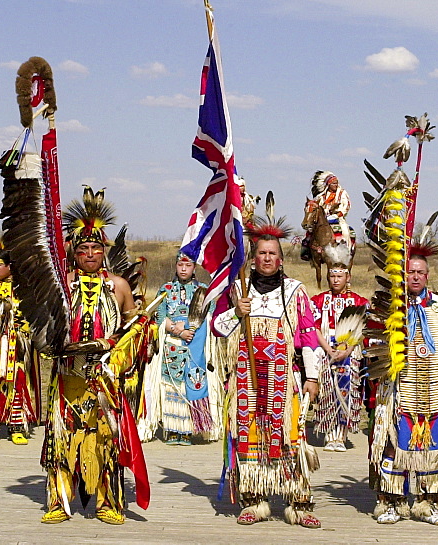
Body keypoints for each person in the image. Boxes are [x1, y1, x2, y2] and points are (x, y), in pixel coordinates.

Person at [42, 188, 150, 526]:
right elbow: (44, 324)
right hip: (67, 375)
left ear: (105, 251)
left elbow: (135, 328)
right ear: (74, 253)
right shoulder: (62, 284)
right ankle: (60, 500)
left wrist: (116, 344)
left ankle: (106, 502)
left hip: (104, 378)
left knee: (104, 439)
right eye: (84, 248)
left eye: (96, 248)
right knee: (62, 439)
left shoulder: (118, 286)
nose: (90, 254)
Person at [212, 227, 323, 529]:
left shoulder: (295, 291)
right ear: (252, 257)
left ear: (281, 259)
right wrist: (236, 312)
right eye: (261, 252)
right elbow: (217, 328)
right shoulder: (237, 290)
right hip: (245, 380)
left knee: (291, 438)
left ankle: (298, 503)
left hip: (283, 382)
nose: (267, 258)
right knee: (249, 437)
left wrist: (312, 376)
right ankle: (254, 501)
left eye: (272, 253)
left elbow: (309, 336)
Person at [370, 252, 438, 526]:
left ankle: (429, 503)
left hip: (434, 386)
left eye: (420, 272)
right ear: (403, 275)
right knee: (394, 444)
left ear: (427, 276)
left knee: (433, 445)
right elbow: (374, 345)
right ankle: (392, 502)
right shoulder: (391, 305)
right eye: (410, 271)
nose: (414, 276)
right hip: (399, 388)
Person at [0, 239, 40, 445]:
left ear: (10, 266)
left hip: (17, 344)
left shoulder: (24, 289)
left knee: (17, 383)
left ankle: (16, 426)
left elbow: (33, 314)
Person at [153, 254, 214, 444]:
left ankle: (187, 430)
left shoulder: (203, 290)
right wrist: (176, 330)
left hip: (194, 345)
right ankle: (172, 429)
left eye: (188, 265)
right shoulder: (166, 289)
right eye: (180, 264)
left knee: (190, 386)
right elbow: (158, 315)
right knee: (172, 387)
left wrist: (190, 330)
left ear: (194, 267)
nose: (184, 269)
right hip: (172, 346)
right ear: (176, 266)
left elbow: (208, 317)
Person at [310, 262, 367, 452]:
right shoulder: (318, 300)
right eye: (332, 276)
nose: (335, 280)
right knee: (327, 391)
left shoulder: (359, 301)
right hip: (326, 351)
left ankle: (341, 436)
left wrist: (349, 349)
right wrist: (327, 348)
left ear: (348, 277)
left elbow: (362, 328)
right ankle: (329, 435)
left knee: (346, 391)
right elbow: (314, 327)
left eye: (339, 276)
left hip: (349, 353)